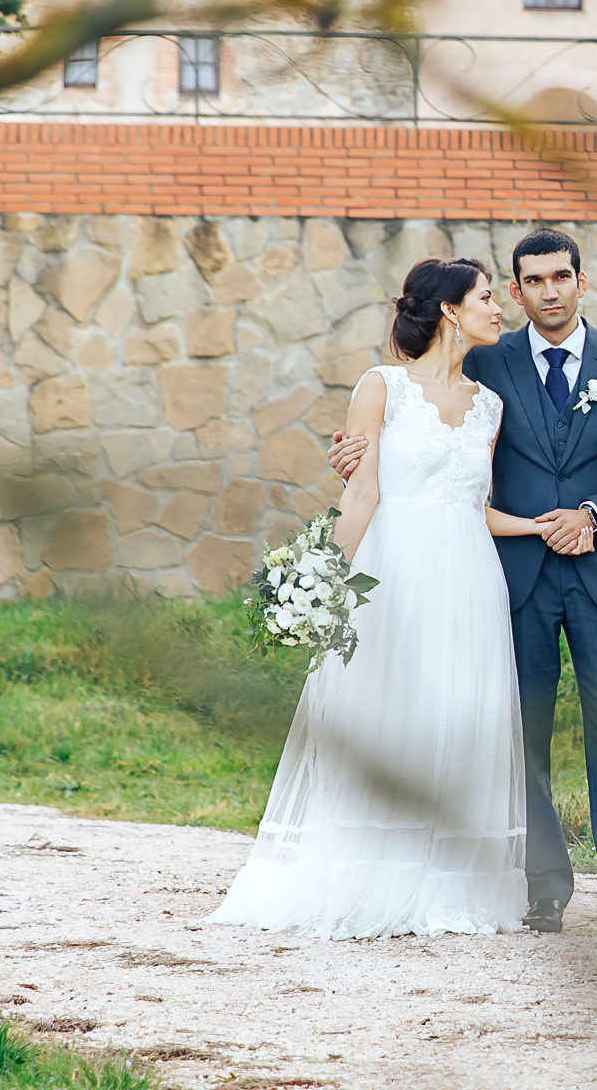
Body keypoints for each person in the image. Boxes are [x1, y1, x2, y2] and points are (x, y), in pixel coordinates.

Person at [331, 228, 597, 942]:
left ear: (581, 282)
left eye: (561, 277)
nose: (548, 291)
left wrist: (594, 512)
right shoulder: (487, 361)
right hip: (508, 581)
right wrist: (351, 453)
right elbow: (418, 427)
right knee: (517, 740)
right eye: (532, 281)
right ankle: (542, 892)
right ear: (520, 287)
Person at [212, 259, 538, 940]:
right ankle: (369, 874)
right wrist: (320, 579)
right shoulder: (380, 386)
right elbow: (361, 491)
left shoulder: (490, 405)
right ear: (450, 310)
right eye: (485, 297)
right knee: (392, 713)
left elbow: (477, 506)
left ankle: (448, 883)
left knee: (459, 715)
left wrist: (543, 523)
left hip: (471, 579)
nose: (498, 307)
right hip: (396, 571)